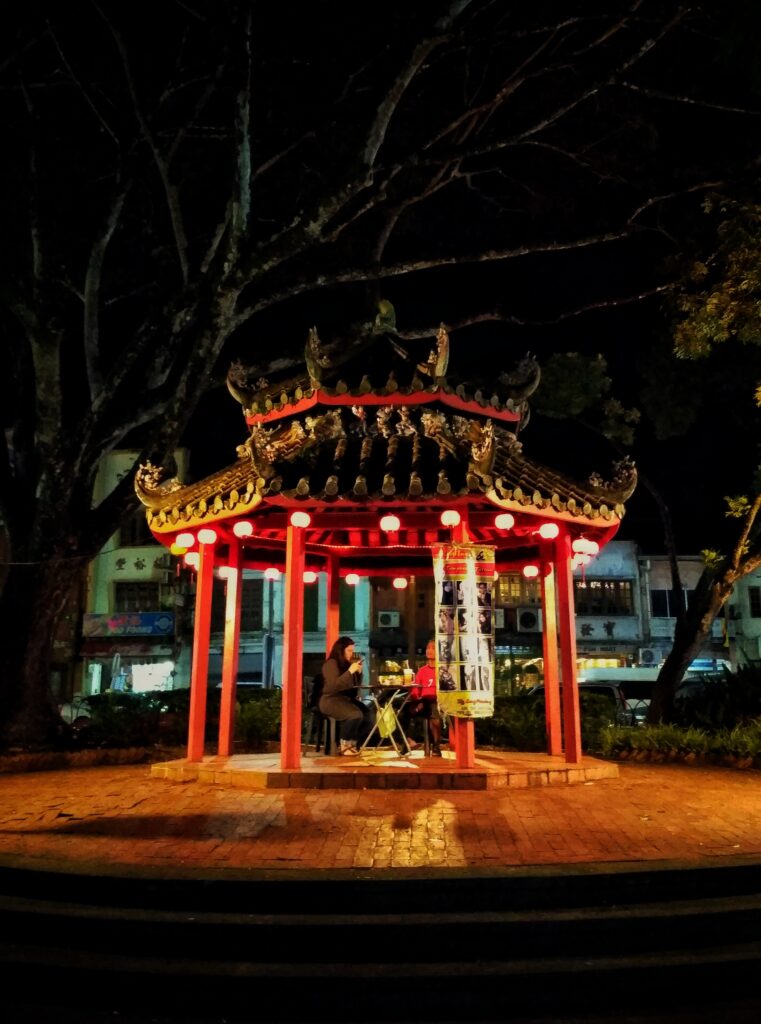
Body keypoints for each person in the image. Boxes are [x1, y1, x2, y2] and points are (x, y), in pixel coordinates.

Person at [318, 636, 373, 755]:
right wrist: (350, 672)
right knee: (355, 715)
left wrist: (359, 673)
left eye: (352, 651)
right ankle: (345, 744)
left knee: (369, 716)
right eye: (349, 651)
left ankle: (354, 744)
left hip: (346, 699)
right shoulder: (331, 664)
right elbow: (334, 686)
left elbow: (355, 686)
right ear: (341, 650)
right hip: (330, 699)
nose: (351, 654)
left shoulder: (347, 664)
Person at [399, 640, 443, 756]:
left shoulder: (442, 670)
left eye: (433, 648)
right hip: (422, 701)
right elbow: (415, 689)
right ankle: (407, 741)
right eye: (428, 648)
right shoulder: (422, 670)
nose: (429, 650)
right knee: (402, 712)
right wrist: (415, 696)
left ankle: (436, 746)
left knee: (434, 713)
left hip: (436, 700)